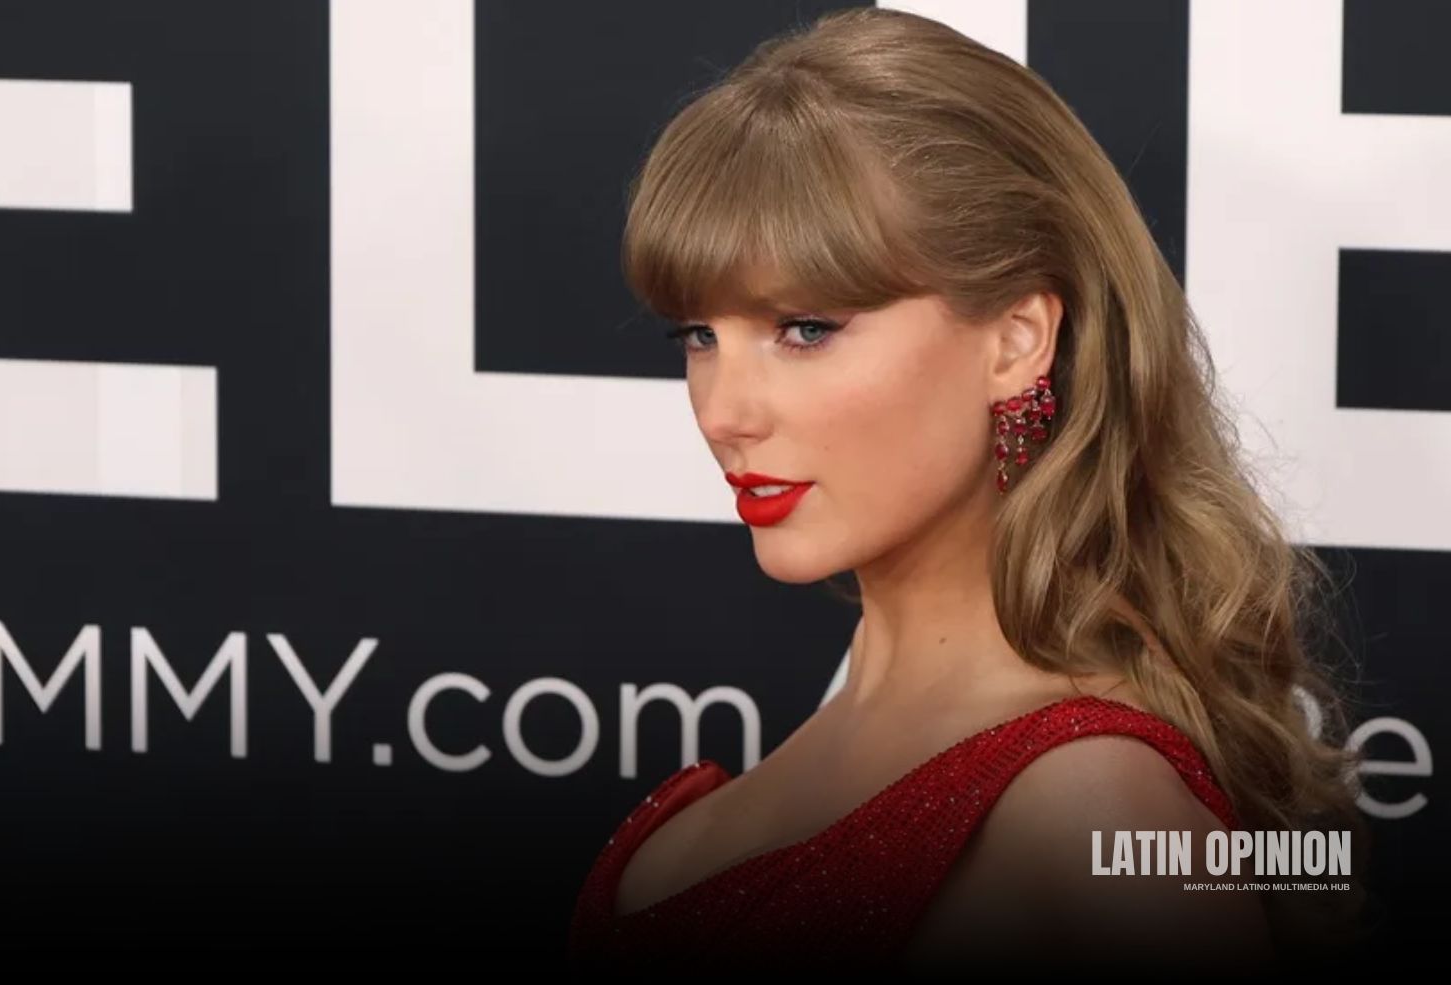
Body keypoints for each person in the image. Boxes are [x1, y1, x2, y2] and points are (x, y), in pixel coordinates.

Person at [565, 6, 1372, 975]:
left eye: (806, 329)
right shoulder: (862, 722)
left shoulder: (1090, 810)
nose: (722, 412)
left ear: (1016, 340)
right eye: (698, 335)